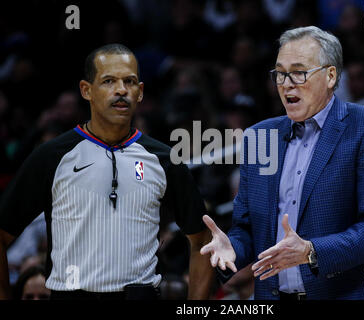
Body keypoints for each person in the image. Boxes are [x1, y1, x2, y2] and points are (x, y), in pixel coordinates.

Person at [200, 26, 364, 300]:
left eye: (298, 72)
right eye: (280, 73)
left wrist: (311, 251)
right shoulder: (260, 136)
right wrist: (232, 248)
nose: (286, 83)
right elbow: (247, 228)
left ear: (330, 76)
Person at [0, 44, 214, 300]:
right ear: (86, 90)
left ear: (141, 92)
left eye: (130, 81)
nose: (121, 90)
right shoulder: (52, 157)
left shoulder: (165, 160)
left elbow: (202, 241)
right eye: (109, 81)